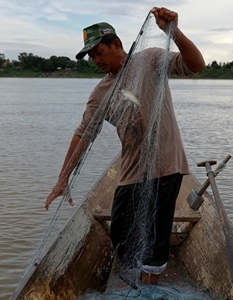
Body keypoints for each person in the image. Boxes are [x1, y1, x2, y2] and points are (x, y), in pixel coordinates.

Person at [44, 7, 205, 285]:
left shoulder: (151, 59)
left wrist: (173, 32)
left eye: (99, 53)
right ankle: (136, 276)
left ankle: (148, 285)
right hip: (132, 170)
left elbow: (195, 64)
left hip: (166, 163)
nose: (96, 60)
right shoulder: (100, 94)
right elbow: (83, 134)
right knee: (121, 233)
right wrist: (62, 180)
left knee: (156, 236)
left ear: (116, 44)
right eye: (91, 57)